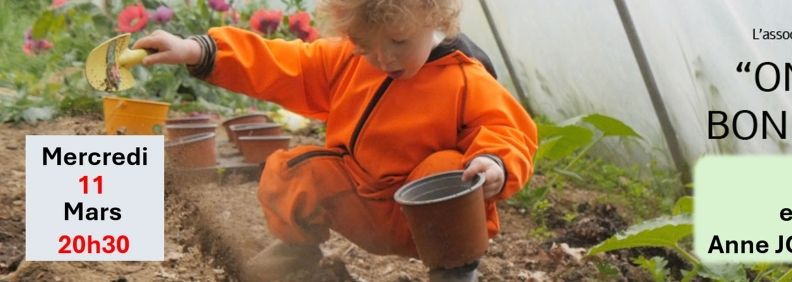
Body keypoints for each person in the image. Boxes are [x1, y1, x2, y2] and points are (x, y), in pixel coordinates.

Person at [133, 0, 537, 280]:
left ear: (437, 17)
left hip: (424, 217)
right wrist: (196, 51)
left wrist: (496, 163)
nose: (384, 59)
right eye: (365, 45)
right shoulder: (348, 60)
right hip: (361, 202)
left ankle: (454, 273)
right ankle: (297, 257)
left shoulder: (465, 78)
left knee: (450, 170)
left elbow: (507, 130)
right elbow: (282, 63)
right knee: (295, 170)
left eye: (398, 42)